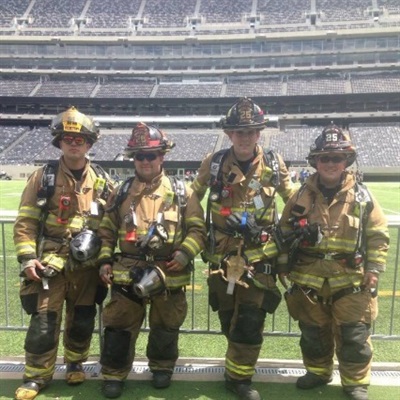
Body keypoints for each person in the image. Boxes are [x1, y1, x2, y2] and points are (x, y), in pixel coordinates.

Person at [191, 97, 294, 400]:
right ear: (229, 134)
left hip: (259, 257)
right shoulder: (215, 163)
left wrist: (285, 238)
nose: (245, 137)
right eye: (239, 131)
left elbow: (294, 202)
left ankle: (239, 379)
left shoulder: (274, 163)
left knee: (249, 320)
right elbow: (193, 197)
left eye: (251, 131)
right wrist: (199, 227)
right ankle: (236, 365)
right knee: (228, 318)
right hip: (221, 257)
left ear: (259, 133)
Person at [278, 124, 389, 400]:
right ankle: (318, 372)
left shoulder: (363, 198)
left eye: (336, 158)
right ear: (315, 161)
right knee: (313, 334)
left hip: (350, 279)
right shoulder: (299, 196)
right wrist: (282, 266)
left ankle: (355, 383)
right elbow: (284, 233)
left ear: (346, 161)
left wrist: (373, 269)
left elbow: (377, 236)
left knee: (353, 336)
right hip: (308, 279)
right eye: (324, 158)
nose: (330, 163)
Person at [97, 122, 206, 399]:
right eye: (139, 156)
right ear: (133, 158)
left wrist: (184, 254)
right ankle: (113, 374)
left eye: (151, 155)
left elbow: (197, 230)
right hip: (127, 271)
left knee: (165, 326)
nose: (145, 161)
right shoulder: (120, 192)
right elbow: (106, 229)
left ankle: (161, 368)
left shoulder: (184, 192)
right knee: (119, 326)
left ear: (162, 157)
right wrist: (105, 260)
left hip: (169, 273)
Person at [13, 106, 113, 400]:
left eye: (80, 139)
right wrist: (27, 257)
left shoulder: (103, 179)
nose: (74, 143)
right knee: (44, 321)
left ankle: (75, 363)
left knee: (82, 319)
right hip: (50, 264)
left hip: (87, 266)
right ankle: (36, 376)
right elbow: (26, 221)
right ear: (59, 142)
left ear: (89, 144)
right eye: (68, 138)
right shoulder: (42, 177)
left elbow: (110, 225)